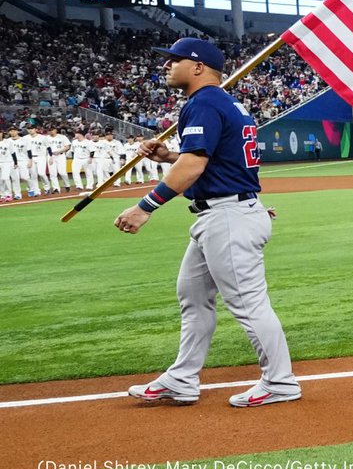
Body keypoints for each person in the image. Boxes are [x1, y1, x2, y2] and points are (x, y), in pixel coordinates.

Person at [116, 36, 301, 408]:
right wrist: (170, 155)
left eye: (175, 60)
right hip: (225, 213)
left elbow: (194, 166)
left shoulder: (203, 103)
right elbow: (216, 160)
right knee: (193, 297)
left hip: (228, 215)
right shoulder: (224, 102)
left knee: (248, 304)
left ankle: (280, 382)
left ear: (198, 67)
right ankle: (182, 379)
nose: (167, 65)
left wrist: (145, 206)